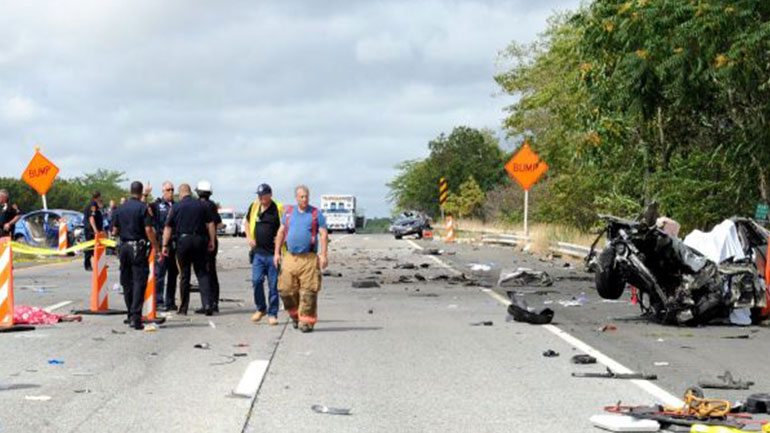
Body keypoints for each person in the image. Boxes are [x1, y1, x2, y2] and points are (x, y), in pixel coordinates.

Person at [274, 185, 329, 333]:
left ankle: (307, 322)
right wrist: (277, 253)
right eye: (302, 197)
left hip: (309, 258)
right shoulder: (288, 213)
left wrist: (324, 255)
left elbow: (323, 234)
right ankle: (295, 315)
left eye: (306, 196)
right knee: (286, 290)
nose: (305, 199)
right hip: (290, 258)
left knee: (308, 292)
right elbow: (280, 233)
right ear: (296, 198)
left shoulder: (316, 214)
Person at [111, 181, 159, 330]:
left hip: (123, 247)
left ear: (130, 191)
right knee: (139, 282)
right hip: (138, 248)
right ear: (140, 192)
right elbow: (149, 230)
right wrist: (156, 247)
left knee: (126, 281)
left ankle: (130, 314)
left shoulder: (119, 209)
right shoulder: (143, 208)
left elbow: (114, 231)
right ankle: (135, 317)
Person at [162, 183, 216, 315]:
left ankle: (183, 308)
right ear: (190, 192)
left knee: (184, 275)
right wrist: (212, 241)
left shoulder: (176, 207)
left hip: (183, 242)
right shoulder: (201, 205)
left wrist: (164, 245)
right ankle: (207, 304)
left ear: (180, 194)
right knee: (202, 273)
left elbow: (168, 227)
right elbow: (211, 224)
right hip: (200, 241)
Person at [245, 183, 283, 325]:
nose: (261, 197)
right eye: (259, 195)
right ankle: (261, 308)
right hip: (258, 254)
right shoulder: (254, 206)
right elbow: (247, 223)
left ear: (270, 194)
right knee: (256, 281)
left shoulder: (278, 209)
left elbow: (285, 228)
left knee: (273, 286)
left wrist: (279, 248)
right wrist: (249, 238)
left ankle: (272, 314)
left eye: (263, 195)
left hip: (273, 254)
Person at [150, 181, 178, 312]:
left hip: (174, 242)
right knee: (160, 273)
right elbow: (144, 209)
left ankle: (170, 301)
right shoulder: (157, 205)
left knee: (173, 273)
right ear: (163, 191)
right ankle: (158, 301)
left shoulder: (177, 205)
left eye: (172, 189)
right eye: (168, 190)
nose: (171, 192)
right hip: (161, 242)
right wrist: (145, 194)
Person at [195, 180, 223, 314]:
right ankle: (214, 302)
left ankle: (207, 302)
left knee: (203, 273)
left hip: (204, 242)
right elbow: (219, 223)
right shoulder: (212, 205)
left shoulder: (199, 206)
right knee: (212, 272)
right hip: (213, 242)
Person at [83, 191, 105, 271]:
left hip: (94, 230)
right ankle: (87, 264)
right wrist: (95, 230)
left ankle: (100, 263)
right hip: (90, 231)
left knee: (98, 248)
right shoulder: (93, 205)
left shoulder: (95, 205)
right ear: (98, 197)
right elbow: (91, 218)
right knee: (90, 248)